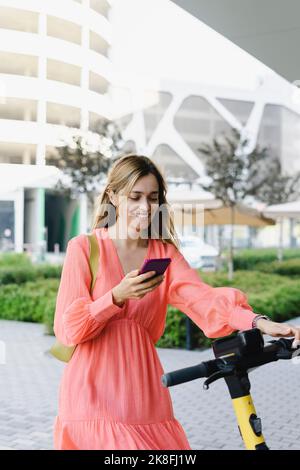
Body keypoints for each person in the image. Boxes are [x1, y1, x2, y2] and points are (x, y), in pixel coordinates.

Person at [53, 154, 300, 450]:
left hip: (144, 394)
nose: (145, 208)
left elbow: (204, 299)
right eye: (135, 197)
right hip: (90, 394)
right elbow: (68, 328)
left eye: (153, 198)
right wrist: (116, 296)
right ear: (113, 197)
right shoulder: (84, 248)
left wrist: (259, 323)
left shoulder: (163, 255)